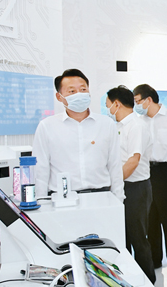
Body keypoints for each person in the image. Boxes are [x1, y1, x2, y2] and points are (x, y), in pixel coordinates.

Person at [33, 68, 123, 202]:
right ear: (59, 97)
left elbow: (115, 165)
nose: (79, 94)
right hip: (62, 199)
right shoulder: (47, 126)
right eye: (72, 91)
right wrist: (40, 200)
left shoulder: (106, 124)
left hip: (101, 196)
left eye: (83, 89)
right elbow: (41, 169)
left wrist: (118, 198)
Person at [133, 84, 167, 282]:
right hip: (146, 171)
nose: (137, 105)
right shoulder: (139, 121)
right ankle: (155, 259)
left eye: (138, 101)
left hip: (166, 171)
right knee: (150, 217)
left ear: (149, 99)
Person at [106, 86, 155, 284]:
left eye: (108, 105)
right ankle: (128, 282)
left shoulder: (136, 126)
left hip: (136, 189)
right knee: (122, 238)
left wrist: (113, 183)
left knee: (138, 238)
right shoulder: (117, 126)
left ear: (117, 104)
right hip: (121, 186)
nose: (107, 109)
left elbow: (133, 161)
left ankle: (148, 282)